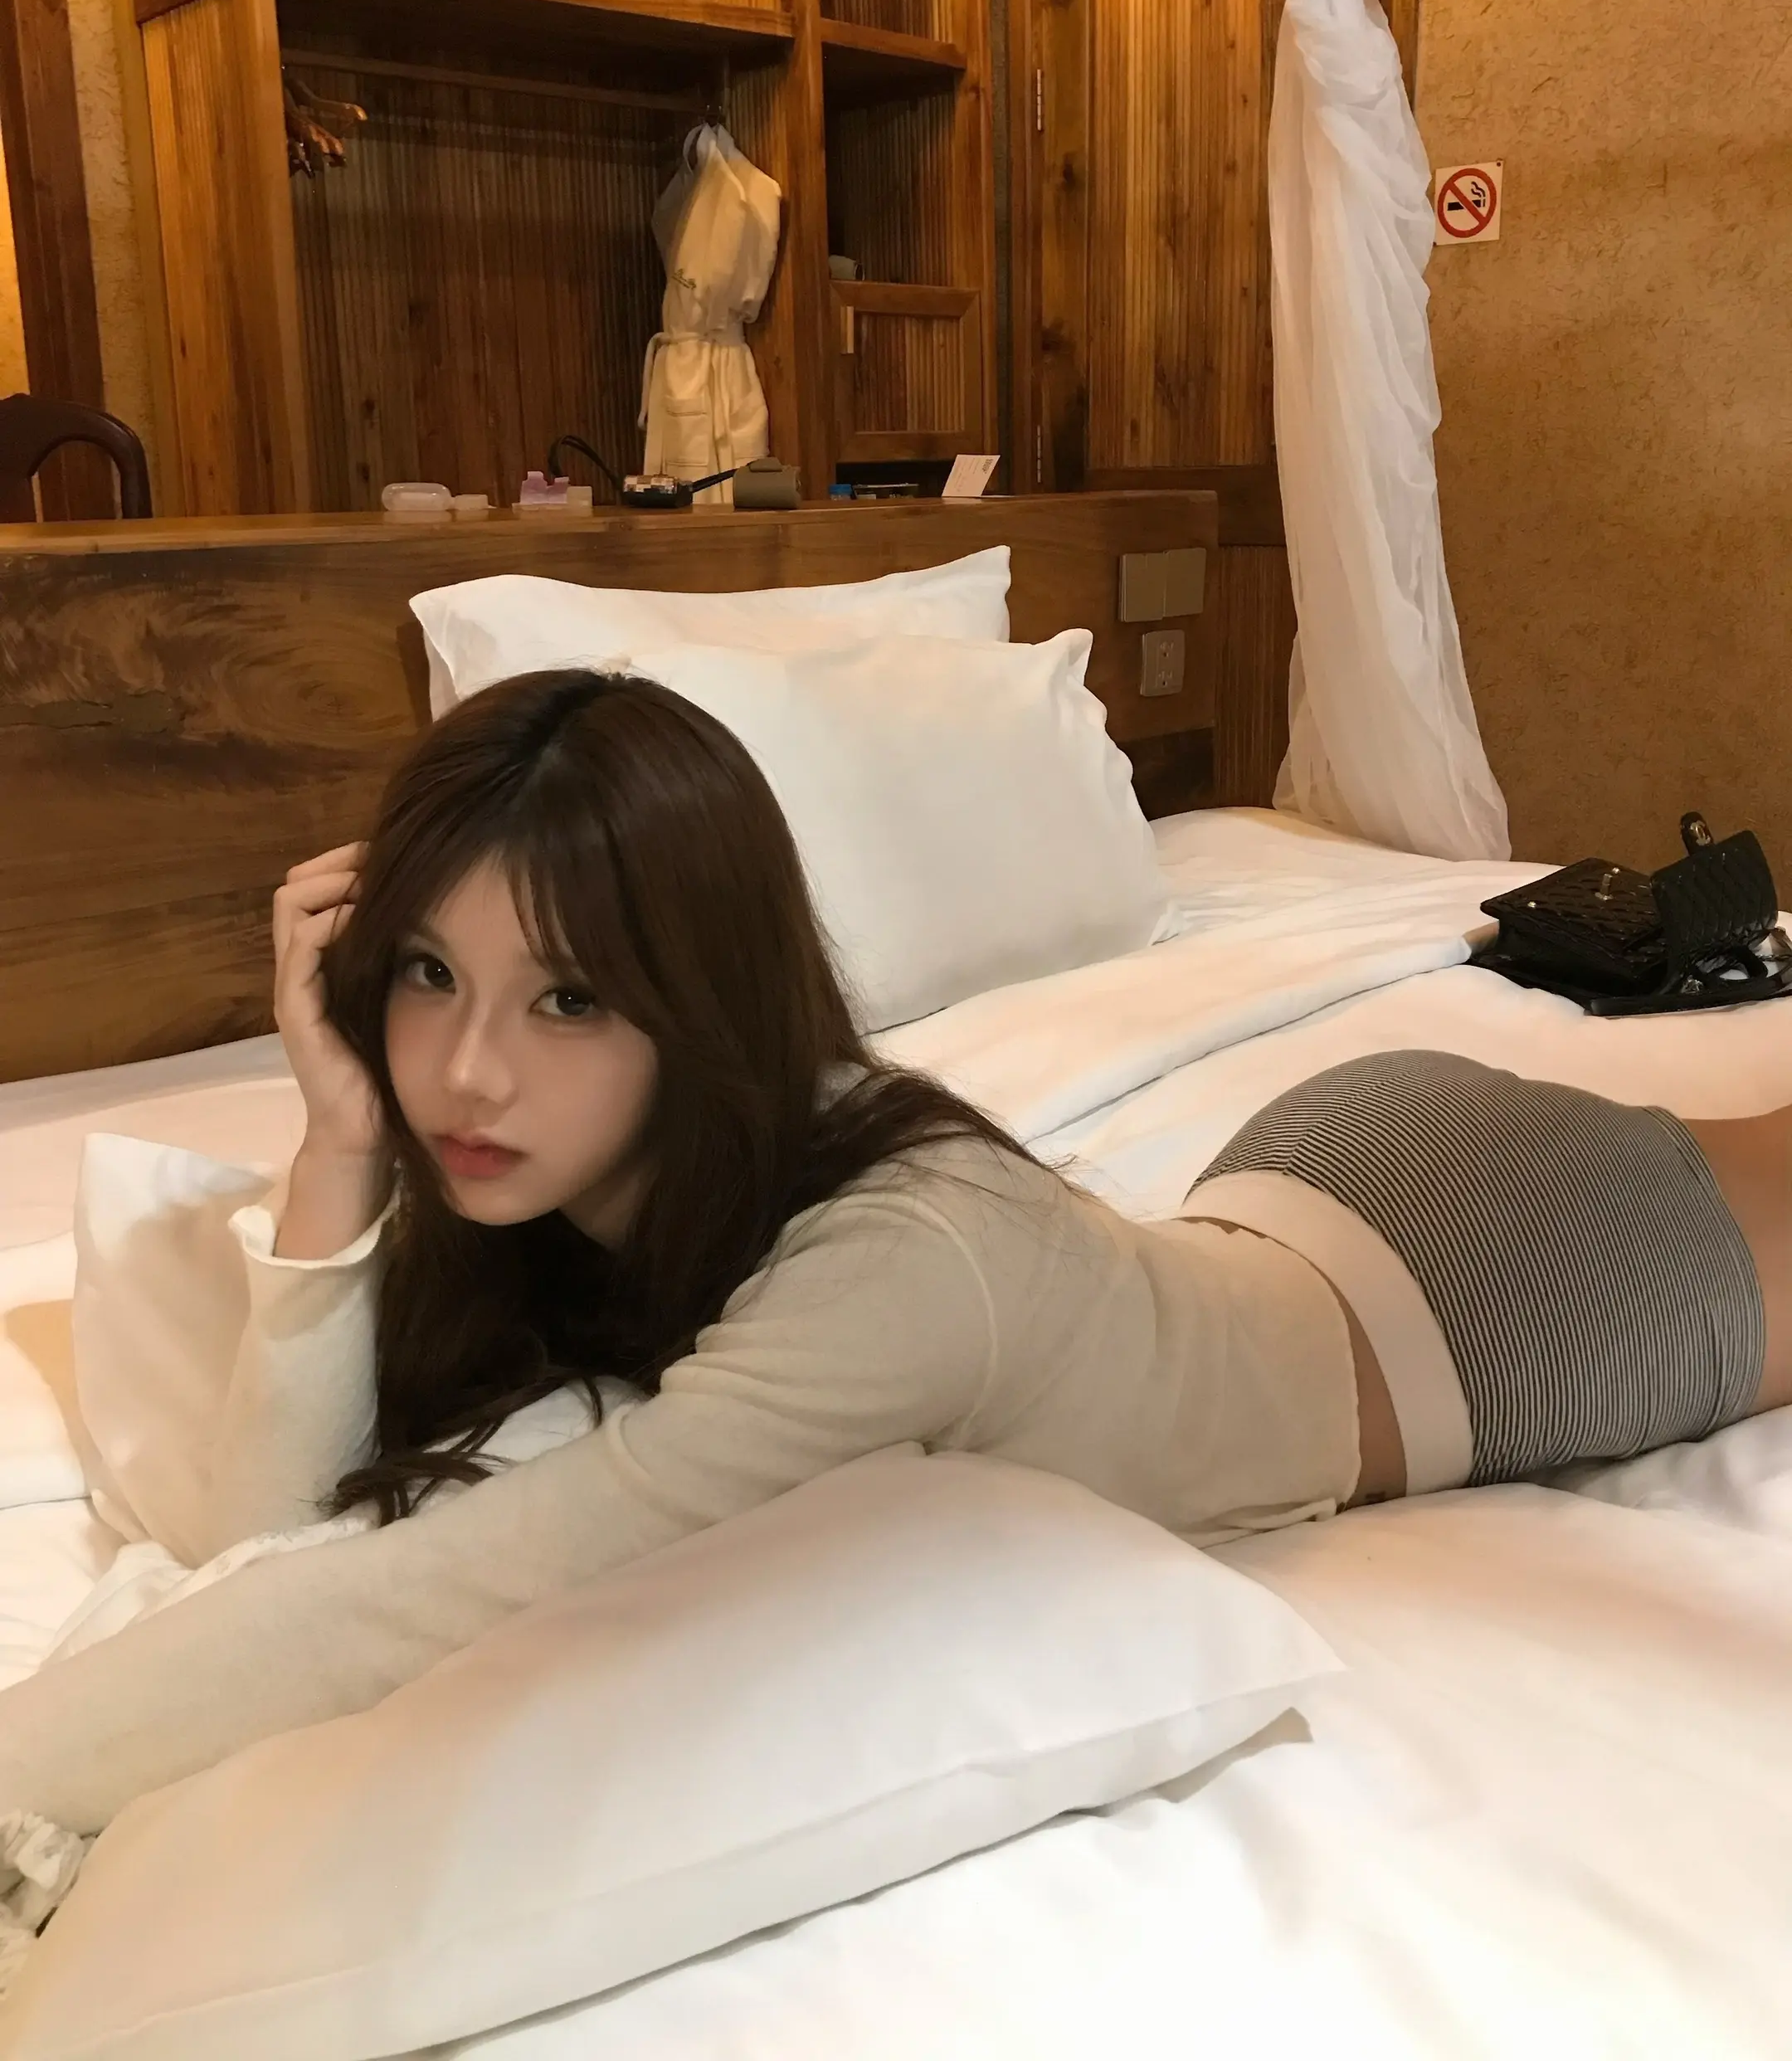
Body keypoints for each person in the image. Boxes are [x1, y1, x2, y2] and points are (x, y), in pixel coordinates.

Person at [0, 668, 1786, 1847]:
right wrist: (336, 1138)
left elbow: (388, 1605)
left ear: (700, 990)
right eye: (426, 974)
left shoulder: (894, 1267)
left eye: (569, 996)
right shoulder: (575, 1174)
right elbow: (268, 1541)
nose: (466, 1073)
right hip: (1297, 1170)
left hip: (1499, 1301)